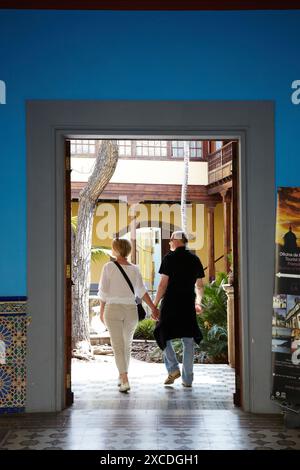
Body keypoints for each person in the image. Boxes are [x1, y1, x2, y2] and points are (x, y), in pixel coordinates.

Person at [98, 238, 159, 393]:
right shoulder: (134, 269)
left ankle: (124, 378)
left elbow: (103, 292)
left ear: (116, 250)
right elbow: (142, 291)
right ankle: (122, 375)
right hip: (131, 309)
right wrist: (153, 308)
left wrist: (101, 311)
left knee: (117, 345)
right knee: (127, 344)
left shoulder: (108, 267)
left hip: (112, 309)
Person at [152, 231, 204, 387]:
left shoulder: (169, 258)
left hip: (171, 303)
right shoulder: (195, 259)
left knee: (162, 333)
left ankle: (173, 369)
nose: (169, 242)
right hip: (188, 303)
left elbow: (162, 284)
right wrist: (198, 302)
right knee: (188, 340)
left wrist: (155, 304)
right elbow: (200, 285)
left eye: (171, 240)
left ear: (177, 241)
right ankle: (187, 379)